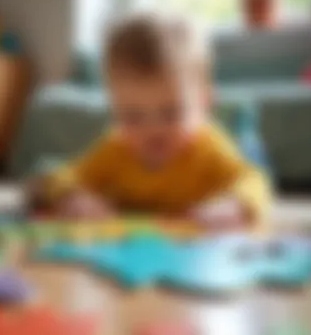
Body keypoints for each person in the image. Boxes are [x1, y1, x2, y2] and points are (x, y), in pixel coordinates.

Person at [29, 12, 271, 232]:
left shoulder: (208, 147)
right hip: (134, 248)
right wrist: (74, 196)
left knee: (249, 152)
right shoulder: (116, 147)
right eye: (133, 116)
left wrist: (235, 205)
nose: (153, 131)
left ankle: (245, 132)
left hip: (191, 255)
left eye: (170, 113)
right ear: (114, 107)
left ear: (204, 102)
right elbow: (66, 175)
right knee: (43, 176)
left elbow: (254, 180)